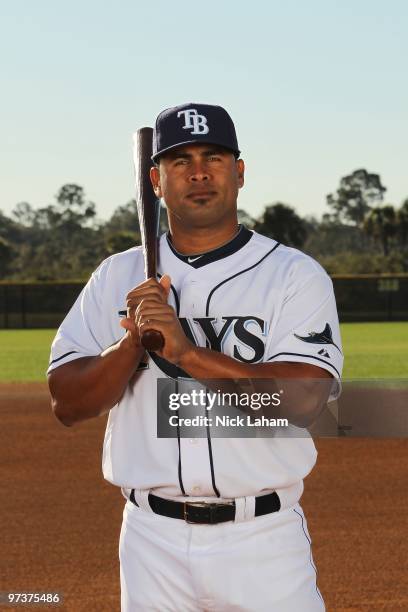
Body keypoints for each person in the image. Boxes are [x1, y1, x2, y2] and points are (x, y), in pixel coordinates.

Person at [48, 103, 343, 611]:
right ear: (156, 182)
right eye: (180, 161)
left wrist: (186, 352)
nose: (199, 172)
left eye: (214, 157)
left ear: (240, 172)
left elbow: (304, 401)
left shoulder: (293, 274)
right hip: (150, 543)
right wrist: (131, 345)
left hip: (263, 542)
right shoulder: (116, 278)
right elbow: (68, 402)